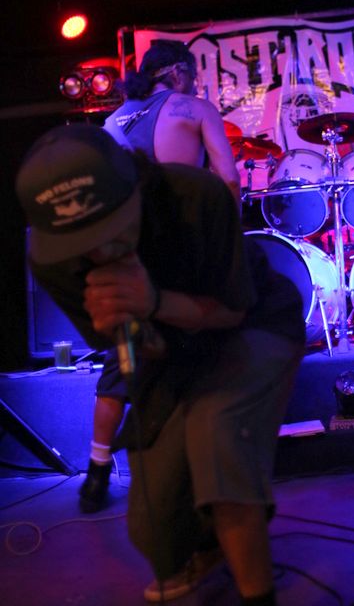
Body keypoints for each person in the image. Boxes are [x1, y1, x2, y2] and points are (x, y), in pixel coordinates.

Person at [16, 123, 305, 606]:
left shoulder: (196, 196)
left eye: (113, 228)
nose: (102, 250)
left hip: (253, 324)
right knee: (157, 540)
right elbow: (134, 348)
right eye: (84, 242)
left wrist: (153, 301)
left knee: (216, 427)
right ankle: (213, 538)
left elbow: (233, 310)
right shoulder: (52, 255)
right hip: (172, 352)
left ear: (135, 186)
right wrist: (131, 324)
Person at [80, 39, 241, 516]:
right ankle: (204, 469)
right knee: (203, 345)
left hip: (132, 255)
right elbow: (229, 178)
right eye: (191, 75)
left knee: (122, 361)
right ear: (176, 73)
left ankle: (96, 475)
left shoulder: (111, 122)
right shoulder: (195, 108)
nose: (193, 83)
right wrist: (229, 239)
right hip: (187, 251)